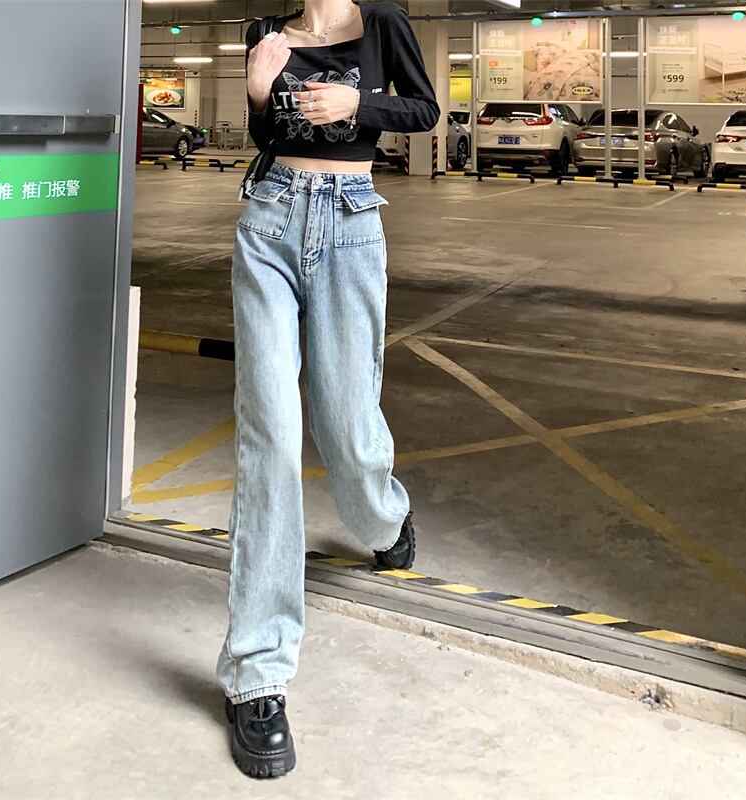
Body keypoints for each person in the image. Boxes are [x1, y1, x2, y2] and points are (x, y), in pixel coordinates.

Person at [216, 0, 440, 779]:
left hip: (350, 222)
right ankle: (257, 675)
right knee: (271, 433)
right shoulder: (268, 33)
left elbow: (424, 110)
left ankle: (383, 519)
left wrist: (357, 103)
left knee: (347, 422)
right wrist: (257, 94)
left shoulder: (384, 23)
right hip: (270, 220)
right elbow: (267, 136)